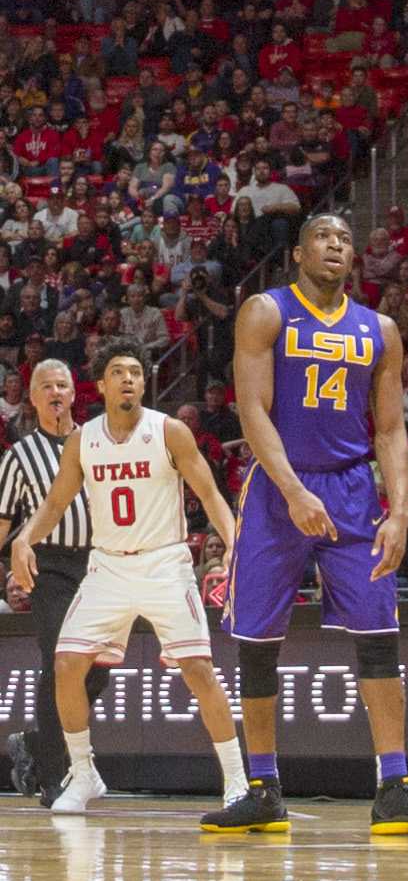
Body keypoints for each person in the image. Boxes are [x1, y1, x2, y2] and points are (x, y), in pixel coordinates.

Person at [207, 212, 408, 837]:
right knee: (258, 642)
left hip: (354, 491)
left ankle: (394, 787)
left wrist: (400, 511)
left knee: (379, 632)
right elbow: (252, 411)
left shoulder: (379, 329)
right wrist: (293, 490)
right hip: (280, 488)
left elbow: (389, 429)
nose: (335, 245)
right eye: (323, 237)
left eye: (346, 239)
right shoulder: (266, 312)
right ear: (299, 253)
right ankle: (263, 787)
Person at [8, 343, 246, 818]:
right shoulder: (84, 440)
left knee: (199, 671)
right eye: (119, 372)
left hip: (164, 564)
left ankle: (238, 780)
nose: (129, 379)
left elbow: (209, 492)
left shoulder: (170, 431)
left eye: (136, 372)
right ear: (101, 385)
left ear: (143, 382)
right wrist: (24, 540)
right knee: (67, 663)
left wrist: (237, 544)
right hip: (108, 566)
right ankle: (83, 772)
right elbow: (55, 503)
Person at [0, 361, 106, 803]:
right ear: (34, 398)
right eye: (47, 386)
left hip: (102, 567)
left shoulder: (99, 443)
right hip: (51, 567)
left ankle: (37, 746)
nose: (56, 392)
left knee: (98, 672)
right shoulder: (19, 456)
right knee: (62, 663)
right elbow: (3, 523)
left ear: (73, 394)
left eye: (63, 384)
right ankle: (54, 775)